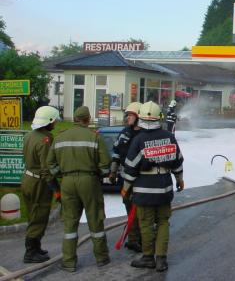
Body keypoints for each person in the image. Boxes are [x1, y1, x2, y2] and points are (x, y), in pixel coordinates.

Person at [47, 106, 111, 272]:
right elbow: (106, 164)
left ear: (75, 119)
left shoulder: (60, 138)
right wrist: (99, 174)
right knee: (95, 218)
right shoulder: (94, 137)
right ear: (87, 119)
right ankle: (101, 257)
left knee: (70, 222)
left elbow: (50, 163)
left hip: (67, 182)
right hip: (89, 181)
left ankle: (68, 261)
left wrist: (61, 174)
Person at [122, 101, 184, 272]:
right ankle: (161, 260)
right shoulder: (169, 137)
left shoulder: (138, 140)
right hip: (164, 188)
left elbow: (131, 168)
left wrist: (125, 188)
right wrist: (179, 179)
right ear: (160, 117)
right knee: (163, 222)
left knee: (146, 223)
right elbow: (178, 162)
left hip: (143, 191)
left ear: (140, 118)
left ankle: (148, 257)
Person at [21, 106, 61, 263]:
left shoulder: (29, 135)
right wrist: (56, 189)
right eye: (55, 120)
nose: (56, 123)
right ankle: (30, 252)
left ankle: (35, 247)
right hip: (39, 182)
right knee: (39, 216)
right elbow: (47, 169)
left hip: (27, 178)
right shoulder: (45, 139)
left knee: (33, 214)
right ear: (49, 121)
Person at [108, 102, 142, 252]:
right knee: (129, 208)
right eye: (127, 115)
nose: (127, 117)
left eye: (130, 115)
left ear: (139, 117)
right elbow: (116, 152)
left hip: (142, 180)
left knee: (142, 210)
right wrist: (113, 171)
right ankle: (134, 239)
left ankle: (144, 239)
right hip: (125, 178)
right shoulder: (125, 132)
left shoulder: (146, 135)